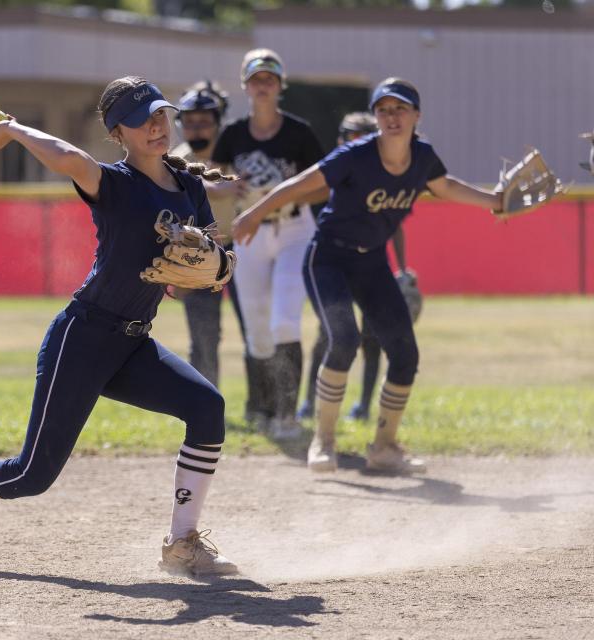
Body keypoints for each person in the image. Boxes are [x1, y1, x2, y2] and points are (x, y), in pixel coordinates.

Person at [0, 77, 238, 578]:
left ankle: (182, 543)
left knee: (207, 407)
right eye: (139, 121)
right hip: (83, 338)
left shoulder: (191, 189)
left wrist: (215, 268)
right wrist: (13, 128)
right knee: (32, 474)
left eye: (159, 114)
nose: (155, 126)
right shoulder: (114, 184)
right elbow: (68, 158)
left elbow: (207, 262)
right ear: (118, 134)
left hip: (133, 343)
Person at [232, 77, 505, 474]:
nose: (392, 116)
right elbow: (298, 184)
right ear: (376, 116)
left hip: (372, 262)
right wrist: (254, 213)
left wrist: (495, 201)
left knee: (406, 355)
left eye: (401, 109)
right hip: (327, 258)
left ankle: (385, 446)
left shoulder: (423, 157)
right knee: (343, 339)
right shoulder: (355, 155)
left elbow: (444, 186)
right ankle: (323, 441)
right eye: (384, 109)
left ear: (416, 116)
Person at [212, 49, 324, 440]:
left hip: (294, 229)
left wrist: (285, 196)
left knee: (284, 320)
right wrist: (225, 185)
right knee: (258, 329)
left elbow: (322, 185)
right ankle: (263, 409)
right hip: (250, 234)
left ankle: (288, 415)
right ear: (244, 85)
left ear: (280, 86)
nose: (262, 86)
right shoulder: (233, 133)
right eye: (256, 79)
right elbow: (216, 177)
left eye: (270, 79)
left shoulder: (299, 132)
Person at [297, 112, 415, 423]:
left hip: (370, 263)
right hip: (333, 264)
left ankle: (363, 406)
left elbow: (396, 226)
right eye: (352, 137)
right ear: (341, 140)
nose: (359, 142)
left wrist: (402, 270)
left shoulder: (381, 176)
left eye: (365, 135)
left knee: (373, 337)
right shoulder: (330, 176)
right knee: (332, 336)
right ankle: (309, 403)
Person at [171, 81, 249, 389]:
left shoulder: (237, 153)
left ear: (218, 122)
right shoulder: (177, 157)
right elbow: (174, 181)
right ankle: (204, 403)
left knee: (254, 328)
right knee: (203, 336)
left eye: (204, 121)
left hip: (242, 246)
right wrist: (214, 187)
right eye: (190, 122)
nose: (197, 129)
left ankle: (263, 407)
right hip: (200, 253)